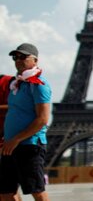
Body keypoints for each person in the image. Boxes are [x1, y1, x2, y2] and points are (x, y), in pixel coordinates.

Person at [0, 43, 51, 201]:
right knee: (6, 192)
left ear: (35, 60)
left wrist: (16, 139)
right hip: (10, 146)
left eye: (23, 56)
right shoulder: (17, 84)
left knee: (36, 190)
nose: (18, 60)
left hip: (29, 145)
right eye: (16, 57)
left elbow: (42, 119)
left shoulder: (39, 84)